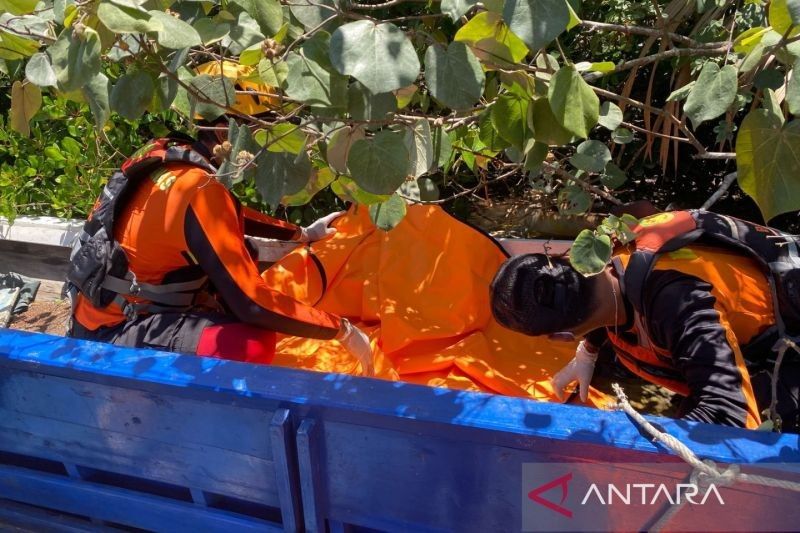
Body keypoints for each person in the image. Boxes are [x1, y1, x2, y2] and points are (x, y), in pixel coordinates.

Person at [66, 60, 373, 374]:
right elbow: (252, 304)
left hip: (96, 313)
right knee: (251, 343)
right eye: (262, 126)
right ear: (227, 129)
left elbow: (227, 217)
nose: (269, 140)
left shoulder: (171, 156)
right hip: (111, 335)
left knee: (238, 266)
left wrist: (301, 234)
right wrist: (343, 330)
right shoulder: (200, 189)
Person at [490, 209, 800, 431]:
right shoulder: (617, 240)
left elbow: (728, 417)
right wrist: (588, 352)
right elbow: (589, 293)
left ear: (560, 337)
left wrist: (633, 444)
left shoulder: (675, 303)